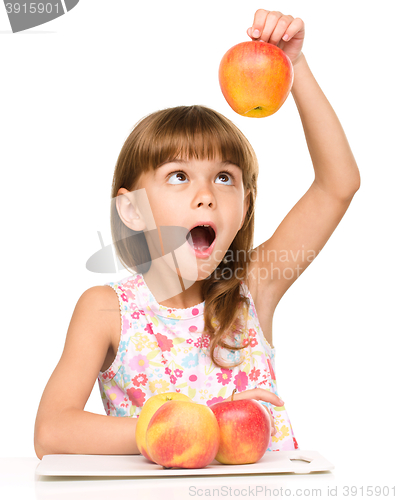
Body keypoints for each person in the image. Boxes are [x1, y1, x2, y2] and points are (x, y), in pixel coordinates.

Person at [34, 10, 360, 460]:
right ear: (132, 209)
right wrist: (196, 423)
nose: (206, 194)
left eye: (224, 178)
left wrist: (294, 67)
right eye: (179, 176)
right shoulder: (106, 310)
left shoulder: (253, 288)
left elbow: (337, 185)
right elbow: (52, 431)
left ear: (243, 206)